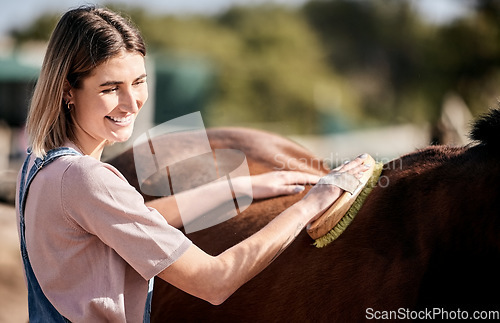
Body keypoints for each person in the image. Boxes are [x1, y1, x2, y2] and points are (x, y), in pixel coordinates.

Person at [15, 6, 370, 322]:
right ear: (67, 91)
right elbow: (215, 280)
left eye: (139, 82)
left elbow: (132, 218)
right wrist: (311, 204)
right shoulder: (85, 178)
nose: (132, 102)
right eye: (110, 88)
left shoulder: (39, 164)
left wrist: (241, 187)